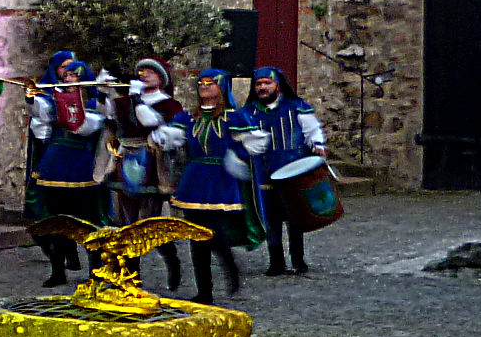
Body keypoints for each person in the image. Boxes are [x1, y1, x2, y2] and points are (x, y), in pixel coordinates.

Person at [152, 68, 269, 304]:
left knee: (214, 232)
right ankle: (204, 291)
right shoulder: (188, 118)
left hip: (220, 180)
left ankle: (230, 267)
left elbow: (253, 144)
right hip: (194, 179)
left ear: (221, 86)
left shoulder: (234, 117)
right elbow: (170, 140)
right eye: (201, 83)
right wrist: (158, 134)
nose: (204, 87)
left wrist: (235, 157)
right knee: (195, 236)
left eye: (210, 83)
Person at [99, 57, 183, 290]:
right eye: (141, 71)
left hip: (152, 164)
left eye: (150, 72)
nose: (144, 75)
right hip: (125, 159)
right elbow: (108, 117)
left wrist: (136, 98)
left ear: (161, 79)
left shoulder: (169, 105)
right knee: (126, 225)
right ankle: (131, 278)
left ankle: (171, 260)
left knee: (148, 224)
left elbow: (149, 121)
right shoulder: (124, 101)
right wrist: (103, 93)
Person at [27, 59, 108, 286]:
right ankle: (58, 270)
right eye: (66, 76)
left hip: (80, 168)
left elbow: (82, 126)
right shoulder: (53, 102)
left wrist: (68, 105)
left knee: (88, 222)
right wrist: (31, 97)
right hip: (54, 166)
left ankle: (96, 272)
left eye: (73, 76)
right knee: (54, 222)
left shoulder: (94, 106)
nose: (68, 79)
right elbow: (40, 115)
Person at [242, 66, 327, 275]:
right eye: (258, 84)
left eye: (267, 83)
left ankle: (298, 259)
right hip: (264, 171)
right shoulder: (248, 112)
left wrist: (318, 145)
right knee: (271, 218)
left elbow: (312, 130)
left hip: (294, 169)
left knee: (295, 216)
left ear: (277, 86)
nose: (262, 87)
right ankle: (276, 262)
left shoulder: (296, 107)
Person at [24, 50, 81, 273]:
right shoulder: (46, 94)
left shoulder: (82, 92)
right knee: (42, 208)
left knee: (69, 208)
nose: (67, 71)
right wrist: (31, 98)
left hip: (73, 159)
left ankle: (71, 253)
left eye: (71, 67)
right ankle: (55, 256)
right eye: (63, 67)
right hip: (49, 157)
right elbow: (39, 119)